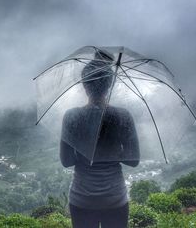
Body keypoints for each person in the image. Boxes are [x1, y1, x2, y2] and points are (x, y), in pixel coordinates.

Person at [60, 58, 140, 228]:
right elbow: (134, 160)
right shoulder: (123, 116)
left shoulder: (71, 117)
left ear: (84, 85)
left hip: (82, 199)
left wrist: (84, 151)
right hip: (115, 198)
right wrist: (112, 153)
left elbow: (66, 161)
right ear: (109, 84)